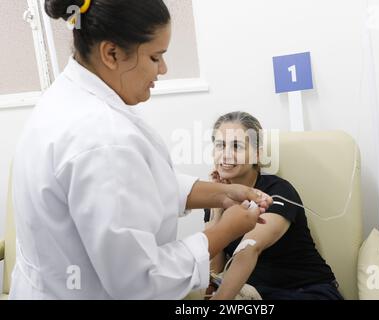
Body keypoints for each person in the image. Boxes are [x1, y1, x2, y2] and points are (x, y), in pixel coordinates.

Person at [9, 0, 272, 300]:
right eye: (155, 56)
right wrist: (224, 232)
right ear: (111, 53)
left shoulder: (70, 99)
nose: (163, 69)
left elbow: (137, 186)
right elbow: (138, 280)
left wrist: (219, 193)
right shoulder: (101, 138)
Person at [204, 112, 343, 300]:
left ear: (257, 154)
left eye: (237, 146)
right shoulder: (216, 198)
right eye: (220, 145)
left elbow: (250, 248)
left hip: (307, 292)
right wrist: (217, 210)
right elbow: (215, 269)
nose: (226, 154)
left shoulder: (277, 192)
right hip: (257, 294)